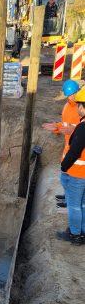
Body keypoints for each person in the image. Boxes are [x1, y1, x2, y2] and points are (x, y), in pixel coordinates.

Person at [42, 80, 80, 207]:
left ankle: (71, 199)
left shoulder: (81, 108)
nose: (71, 97)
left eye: (73, 94)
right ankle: (67, 196)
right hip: (68, 145)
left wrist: (74, 130)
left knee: (75, 177)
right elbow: (65, 125)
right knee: (66, 173)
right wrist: (56, 127)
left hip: (79, 147)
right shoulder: (66, 107)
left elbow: (81, 128)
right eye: (69, 95)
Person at [56, 87, 85, 245]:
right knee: (83, 205)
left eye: (79, 105)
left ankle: (75, 235)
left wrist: (64, 167)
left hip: (78, 174)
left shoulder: (82, 128)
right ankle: (83, 233)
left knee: (74, 206)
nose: (78, 108)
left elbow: (74, 152)